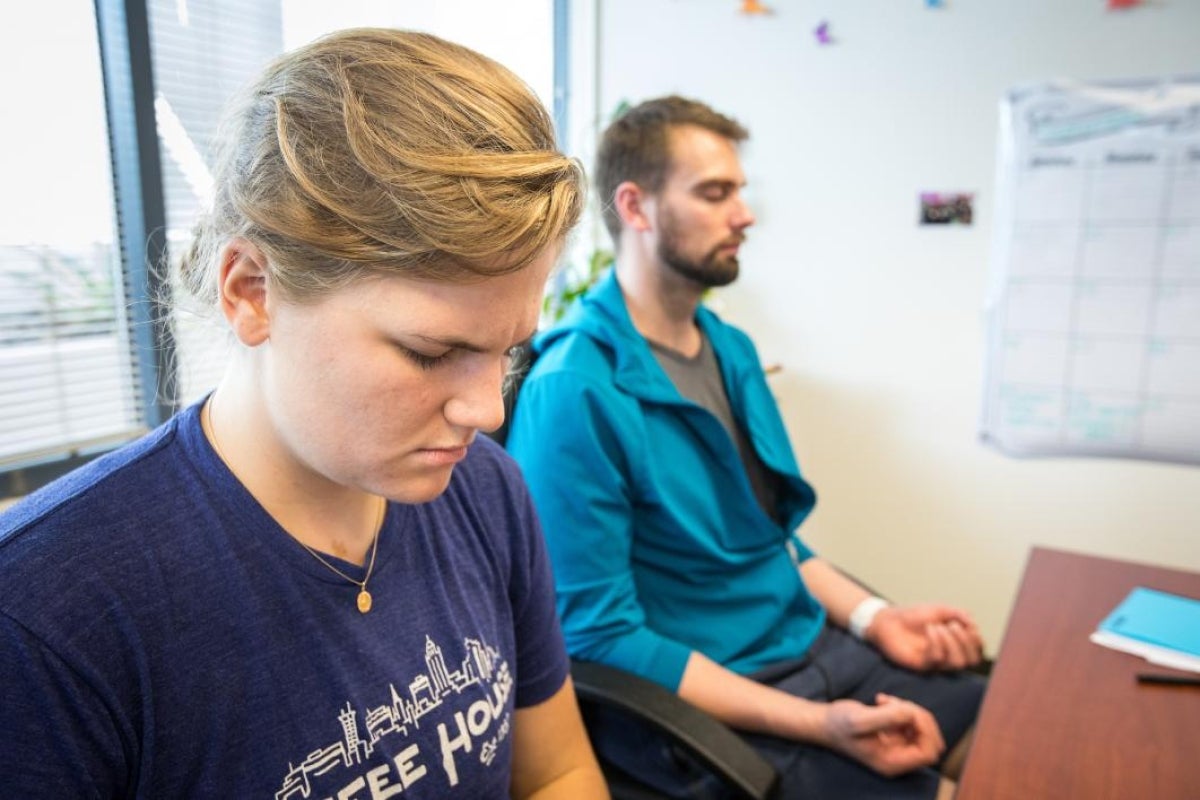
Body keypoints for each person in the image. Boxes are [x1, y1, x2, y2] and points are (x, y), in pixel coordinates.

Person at [0, 29, 608, 799]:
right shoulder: (46, 618)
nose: (487, 410)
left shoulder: (485, 492)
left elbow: (554, 770)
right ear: (252, 291)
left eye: (508, 350)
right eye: (428, 353)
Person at [506, 95, 986, 800]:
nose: (745, 214)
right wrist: (820, 724)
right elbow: (598, 638)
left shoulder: (730, 351)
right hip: (717, 715)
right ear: (635, 207)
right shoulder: (573, 391)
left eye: (740, 191)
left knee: (1006, 723)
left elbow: (770, 536)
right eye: (715, 193)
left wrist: (878, 620)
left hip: (817, 651)